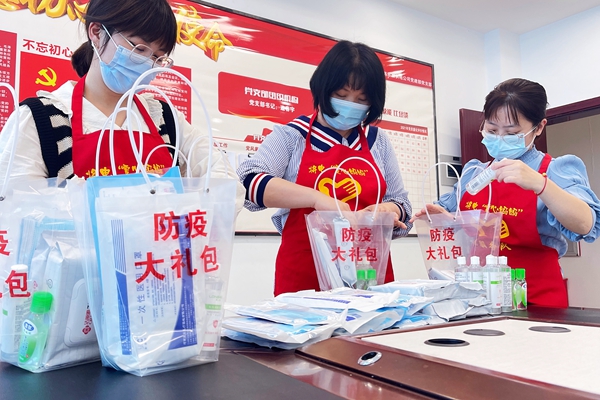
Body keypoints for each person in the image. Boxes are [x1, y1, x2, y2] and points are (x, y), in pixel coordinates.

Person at [0, 0, 240, 190]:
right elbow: (17, 208)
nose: (147, 63)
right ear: (96, 32)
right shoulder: (40, 120)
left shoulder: (165, 119)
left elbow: (223, 179)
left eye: (158, 57)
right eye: (139, 48)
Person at [237, 40, 413, 296]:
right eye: (341, 96)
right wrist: (316, 199)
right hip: (304, 282)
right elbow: (248, 182)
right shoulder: (292, 136)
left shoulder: (378, 141)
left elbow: (402, 204)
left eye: (361, 100)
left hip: (368, 276)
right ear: (322, 88)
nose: (350, 104)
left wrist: (388, 210)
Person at [411, 78, 600, 308]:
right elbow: (452, 219)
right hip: (478, 299)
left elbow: (586, 224)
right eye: (492, 130)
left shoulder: (555, 170)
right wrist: (444, 218)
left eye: (511, 133)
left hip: (537, 299)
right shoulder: (474, 173)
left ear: (539, 127)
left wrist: (541, 185)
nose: (499, 138)